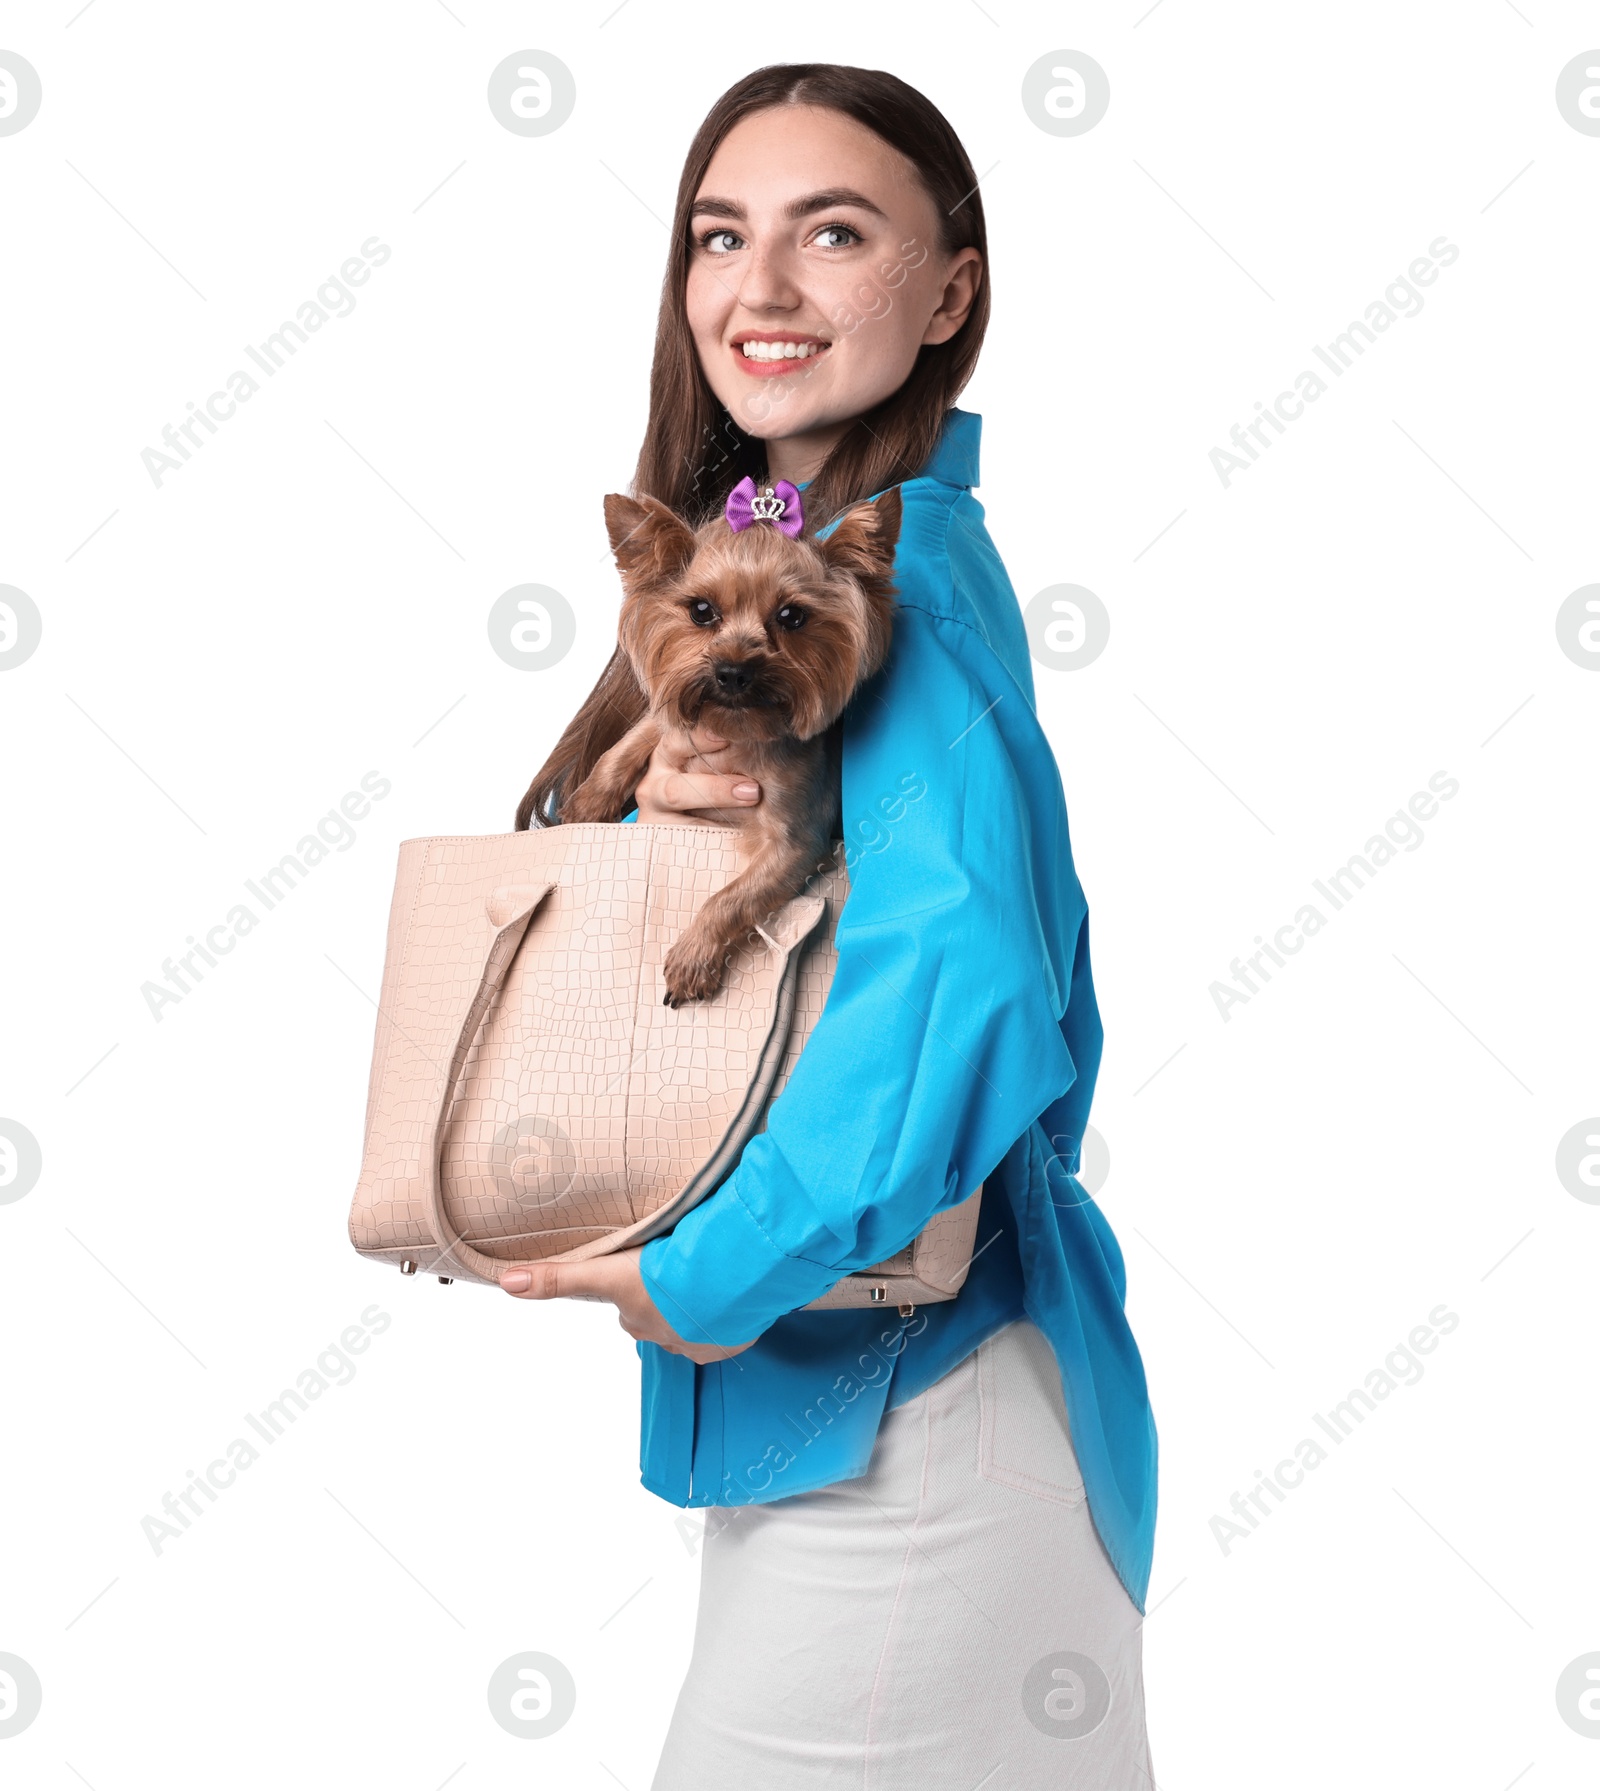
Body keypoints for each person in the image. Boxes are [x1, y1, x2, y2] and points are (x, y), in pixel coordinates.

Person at [502, 63, 1159, 1789]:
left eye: (835, 231)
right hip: (904, 1427)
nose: (759, 288)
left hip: (913, 1434)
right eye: (720, 235)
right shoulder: (771, 546)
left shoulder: (904, 580)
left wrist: (717, 1271)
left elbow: (971, 974)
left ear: (951, 293)